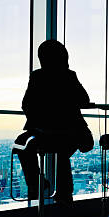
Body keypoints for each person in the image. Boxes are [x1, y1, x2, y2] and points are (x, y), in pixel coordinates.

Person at [15, 40, 94, 206]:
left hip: (45, 133)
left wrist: (41, 120)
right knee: (62, 152)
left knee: (21, 145)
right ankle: (64, 195)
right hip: (71, 132)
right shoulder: (69, 75)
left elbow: (26, 104)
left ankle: (38, 184)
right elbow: (84, 100)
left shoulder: (37, 76)